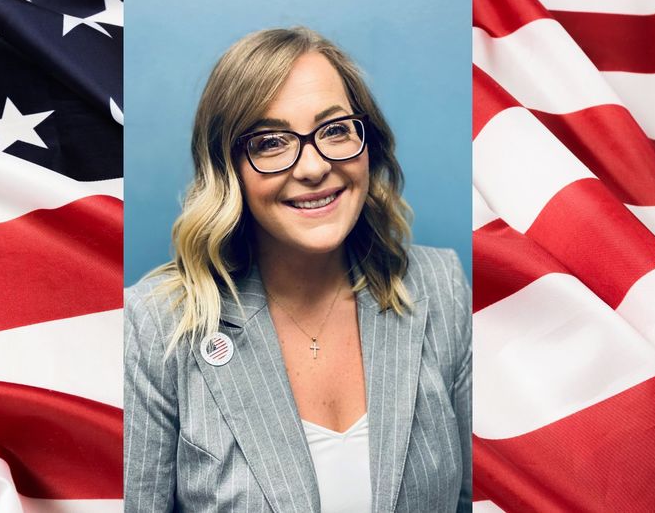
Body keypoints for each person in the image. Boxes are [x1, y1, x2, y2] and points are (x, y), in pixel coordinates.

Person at [125, 26, 471, 512]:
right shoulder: (154, 324)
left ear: (367, 142)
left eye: (334, 130)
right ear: (229, 168)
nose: (311, 167)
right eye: (270, 141)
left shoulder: (443, 285)